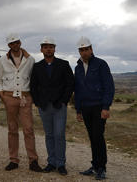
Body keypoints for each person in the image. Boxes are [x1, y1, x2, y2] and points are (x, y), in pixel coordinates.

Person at [0, 33, 42, 172]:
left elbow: (34, 80)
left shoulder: (30, 59)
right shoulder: (2, 60)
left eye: (16, 42)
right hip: (9, 97)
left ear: (20, 42)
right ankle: (13, 160)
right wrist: (1, 94)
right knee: (12, 130)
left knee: (28, 129)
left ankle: (33, 161)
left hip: (25, 98)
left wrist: (32, 97)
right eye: (11, 43)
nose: (14, 45)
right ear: (8, 45)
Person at [30, 36, 74, 175]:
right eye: (45, 46)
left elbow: (70, 84)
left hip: (59, 106)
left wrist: (63, 101)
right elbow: (33, 86)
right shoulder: (37, 66)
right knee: (49, 135)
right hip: (44, 106)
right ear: (41, 49)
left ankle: (61, 164)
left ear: (54, 48)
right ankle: (51, 163)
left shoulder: (64, 64)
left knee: (59, 134)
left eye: (51, 46)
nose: (48, 49)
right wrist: (37, 102)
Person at [74, 36, 115, 180]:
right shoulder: (78, 67)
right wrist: (78, 110)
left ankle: (101, 168)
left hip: (98, 107)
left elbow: (109, 87)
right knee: (92, 137)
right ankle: (95, 166)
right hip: (85, 108)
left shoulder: (101, 64)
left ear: (91, 49)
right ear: (79, 51)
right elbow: (77, 90)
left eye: (86, 49)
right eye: (81, 50)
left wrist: (106, 107)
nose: (84, 52)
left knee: (98, 136)